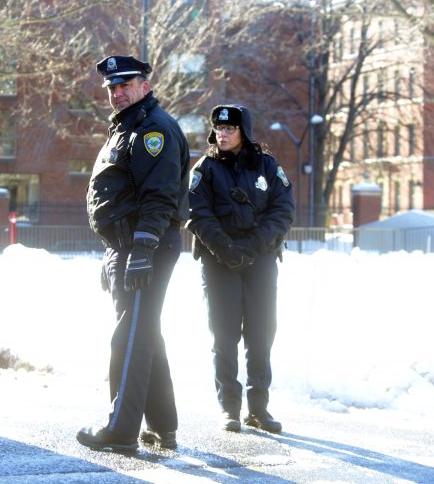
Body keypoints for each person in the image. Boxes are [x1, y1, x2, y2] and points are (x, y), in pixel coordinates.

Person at [78, 55, 190, 453]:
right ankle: (162, 425)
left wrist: (142, 248)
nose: (117, 93)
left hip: (147, 246)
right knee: (144, 333)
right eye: (112, 87)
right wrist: (114, 250)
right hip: (126, 245)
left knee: (128, 339)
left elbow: (159, 197)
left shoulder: (152, 130)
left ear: (144, 85)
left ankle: (121, 430)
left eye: (125, 85)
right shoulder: (127, 128)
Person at [186, 104, 295, 434]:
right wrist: (226, 248)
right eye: (219, 129)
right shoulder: (204, 169)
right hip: (218, 261)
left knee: (261, 335)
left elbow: (283, 210)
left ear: (244, 131)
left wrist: (253, 246)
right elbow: (196, 213)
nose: (223, 134)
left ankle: (258, 408)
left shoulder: (267, 166)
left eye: (231, 129)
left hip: (260, 259)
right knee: (224, 334)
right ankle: (230, 409)